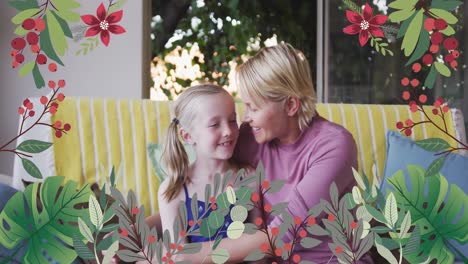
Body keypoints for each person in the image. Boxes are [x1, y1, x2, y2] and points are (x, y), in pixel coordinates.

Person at [178, 43, 364, 263]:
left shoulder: (334, 146)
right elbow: (201, 199)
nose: (245, 117)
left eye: (253, 108)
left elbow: (282, 234)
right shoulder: (251, 137)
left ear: (291, 105)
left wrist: (178, 258)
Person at [157, 84, 249, 245]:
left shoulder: (249, 177)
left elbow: (259, 251)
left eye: (232, 120)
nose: (228, 130)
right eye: (214, 124)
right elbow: (179, 257)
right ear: (187, 136)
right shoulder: (173, 190)